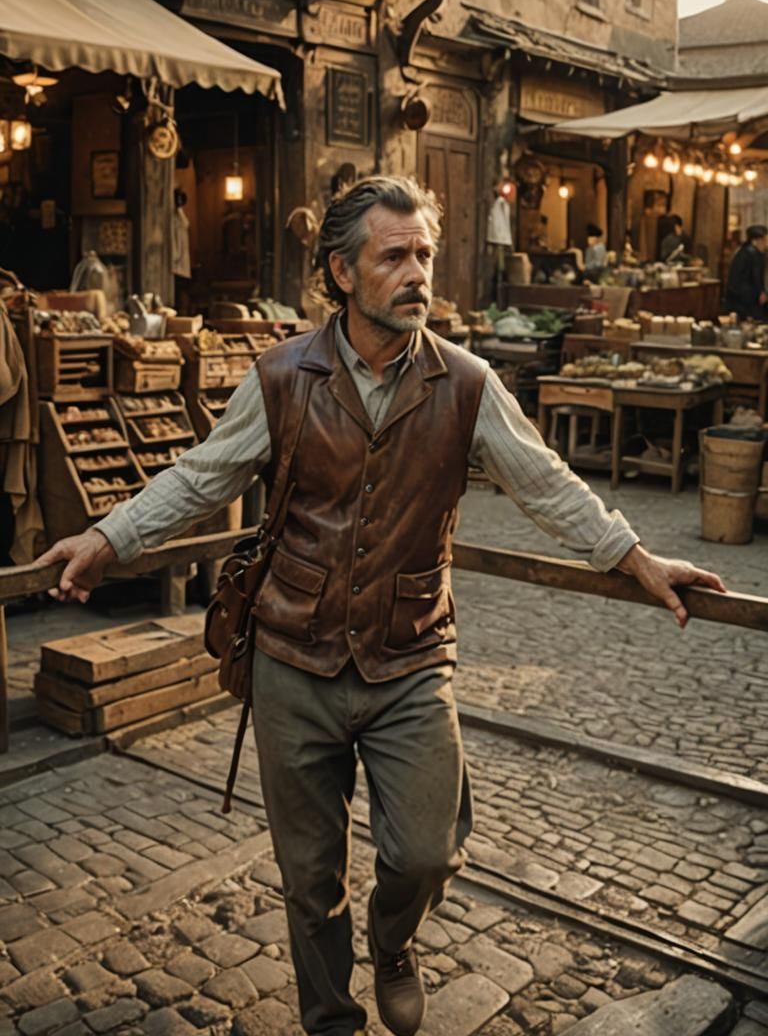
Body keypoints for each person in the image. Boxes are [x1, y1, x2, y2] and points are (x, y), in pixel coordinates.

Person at [35, 176, 727, 1036]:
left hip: (410, 657)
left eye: (423, 255)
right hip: (292, 654)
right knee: (309, 876)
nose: (416, 274)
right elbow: (201, 476)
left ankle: (393, 941)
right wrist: (107, 538)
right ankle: (330, 1018)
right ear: (341, 272)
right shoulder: (284, 376)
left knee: (426, 852)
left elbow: (546, 483)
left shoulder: (466, 382)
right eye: (393, 256)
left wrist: (636, 557)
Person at [723, 224, 768, 320]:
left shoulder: (745, 251)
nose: (766, 244)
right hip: (744, 300)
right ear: (756, 241)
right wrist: (760, 292)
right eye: (764, 240)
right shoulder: (751, 254)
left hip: (744, 297)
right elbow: (754, 278)